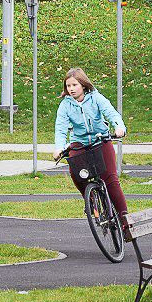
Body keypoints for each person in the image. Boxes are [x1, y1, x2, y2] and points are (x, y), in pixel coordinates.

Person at [53, 68, 128, 220]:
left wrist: (119, 127)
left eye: (75, 85)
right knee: (75, 172)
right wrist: (59, 148)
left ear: (83, 85)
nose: (71, 89)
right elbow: (60, 128)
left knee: (111, 180)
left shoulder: (96, 98)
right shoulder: (65, 105)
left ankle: (125, 219)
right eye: (68, 86)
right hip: (79, 142)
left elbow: (111, 113)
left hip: (100, 140)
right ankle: (90, 200)